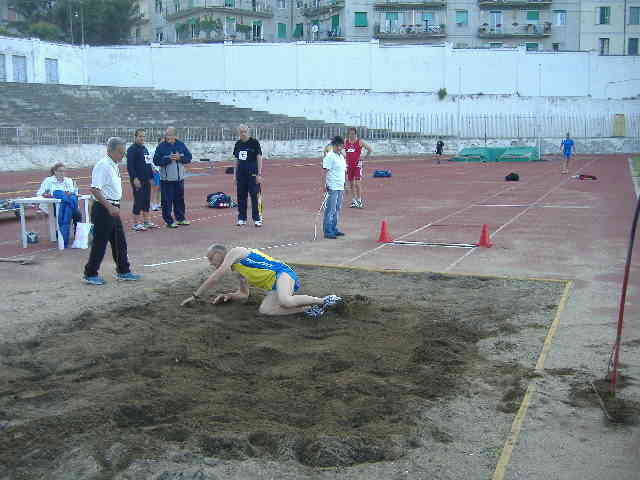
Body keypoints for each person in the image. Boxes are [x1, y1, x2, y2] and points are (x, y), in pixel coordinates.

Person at [180, 244, 342, 317]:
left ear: (219, 253)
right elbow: (244, 294)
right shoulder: (237, 271)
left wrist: (196, 295)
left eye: (211, 258)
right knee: (266, 310)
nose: (210, 263)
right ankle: (308, 309)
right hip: (273, 286)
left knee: (285, 300)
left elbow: (218, 275)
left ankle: (324, 300)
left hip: (282, 273)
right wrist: (229, 296)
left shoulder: (236, 252)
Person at [83, 137, 140, 285]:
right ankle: (90, 273)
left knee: (119, 241)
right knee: (100, 243)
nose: (123, 156)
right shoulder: (103, 165)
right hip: (104, 209)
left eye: (123, 152)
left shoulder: (113, 164)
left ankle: (123, 271)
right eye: (120, 152)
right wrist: (109, 207)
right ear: (111, 150)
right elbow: (95, 189)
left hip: (113, 208)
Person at [153, 127, 192, 228]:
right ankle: (169, 221)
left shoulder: (181, 145)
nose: (168, 137)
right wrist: (168, 159)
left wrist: (180, 158)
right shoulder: (161, 146)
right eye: (167, 135)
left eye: (170, 135)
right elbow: (156, 161)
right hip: (166, 179)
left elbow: (189, 158)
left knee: (179, 200)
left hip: (179, 178)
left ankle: (180, 219)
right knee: (167, 201)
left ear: (175, 135)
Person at [232, 124, 263, 227]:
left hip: (253, 174)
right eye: (241, 132)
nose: (243, 133)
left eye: (245, 131)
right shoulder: (237, 144)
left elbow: (259, 158)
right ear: (238, 133)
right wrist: (234, 175)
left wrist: (259, 174)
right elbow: (236, 160)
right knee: (241, 196)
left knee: (254, 196)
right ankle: (241, 218)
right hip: (241, 174)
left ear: (248, 132)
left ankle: (257, 218)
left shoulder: (254, 143)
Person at [126, 128, 156, 231]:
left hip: (146, 180)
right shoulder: (131, 150)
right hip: (137, 180)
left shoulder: (145, 149)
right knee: (138, 200)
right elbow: (130, 166)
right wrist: (134, 178)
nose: (142, 138)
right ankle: (136, 223)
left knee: (146, 200)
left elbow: (148, 164)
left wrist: (151, 177)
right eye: (140, 136)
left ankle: (146, 221)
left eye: (143, 136)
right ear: (135, 137)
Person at [322, 136, 346, 239]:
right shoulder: (330, 156)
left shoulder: (341, 157)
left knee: (337, 208)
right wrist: (325, 184)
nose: (339, 147)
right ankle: (327, 230)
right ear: (333, 145)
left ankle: (333, 228)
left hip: (340, 186)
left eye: (340, 145)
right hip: (332, 186)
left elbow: (343, 171)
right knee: (330, 209)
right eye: (337, 145)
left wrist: (345, 184)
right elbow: (325, 171)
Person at [343, 128, 372, 208]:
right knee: (351, 183)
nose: (351, 135)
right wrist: (343, 157)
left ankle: (359, 200)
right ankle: (353, 200)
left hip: (357, 165)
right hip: (349, 165)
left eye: (353, 134)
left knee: (357, 183)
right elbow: (339, 150)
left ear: (356, 134)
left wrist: (364, 158)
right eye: (350, 134)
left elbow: (370, 149)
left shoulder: (360, 142)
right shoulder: (345, 142)